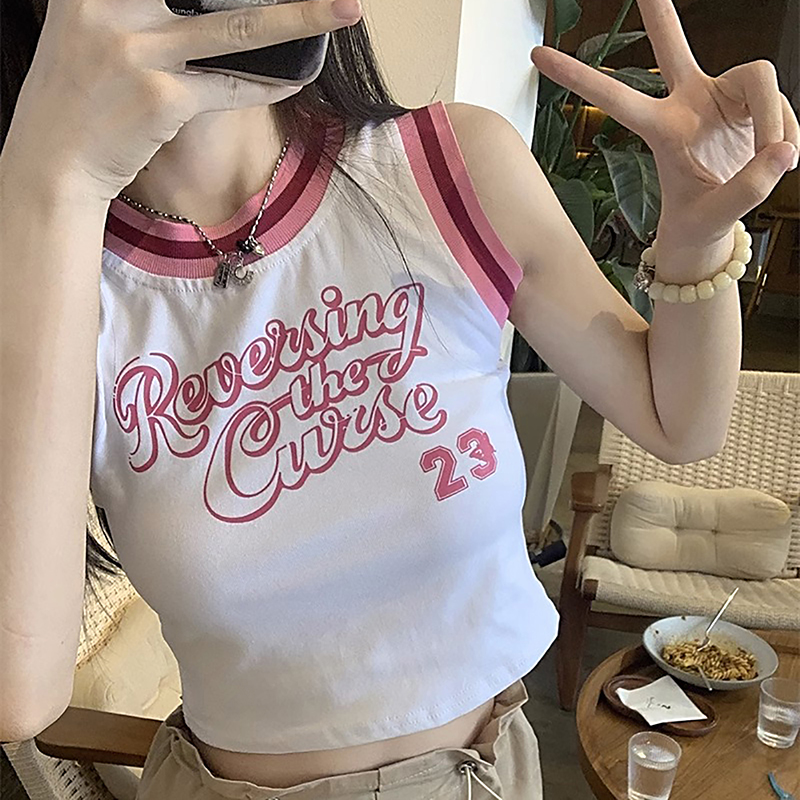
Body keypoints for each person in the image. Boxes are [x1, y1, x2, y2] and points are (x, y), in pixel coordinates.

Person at [0, 0, 797, 798]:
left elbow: (679, 421)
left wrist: (696, 239)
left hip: (489, 772)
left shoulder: (452, 170)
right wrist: (52, 176)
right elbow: (19, 693)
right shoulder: (49, 277)